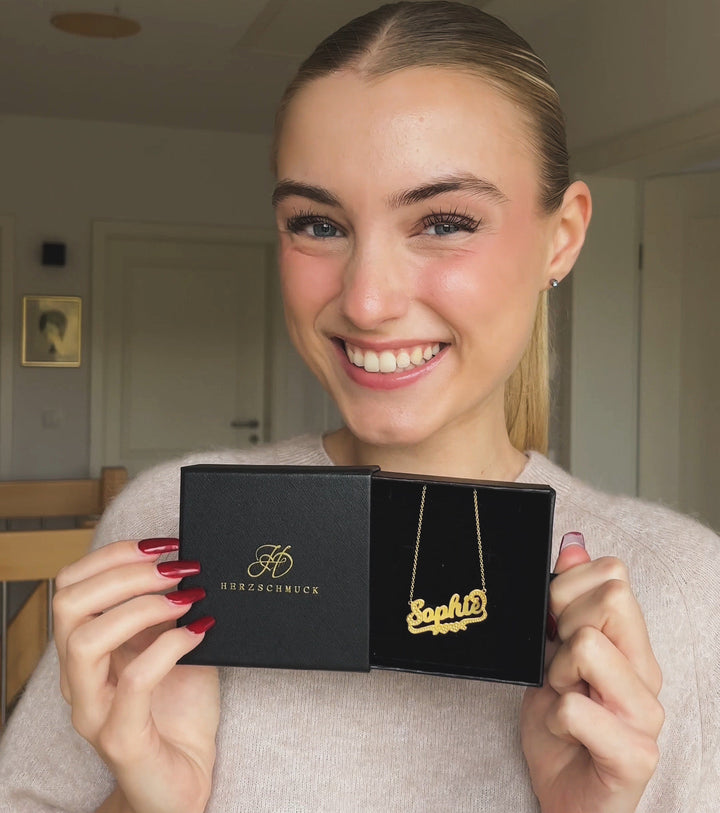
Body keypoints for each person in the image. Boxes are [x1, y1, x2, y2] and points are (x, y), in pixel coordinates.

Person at [0, 2, 717, 811]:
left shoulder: (684, 590)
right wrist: (147, 800)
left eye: (444, 221)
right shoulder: (164, 523)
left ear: (563, 235)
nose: (367, 300)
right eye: (318, 224)